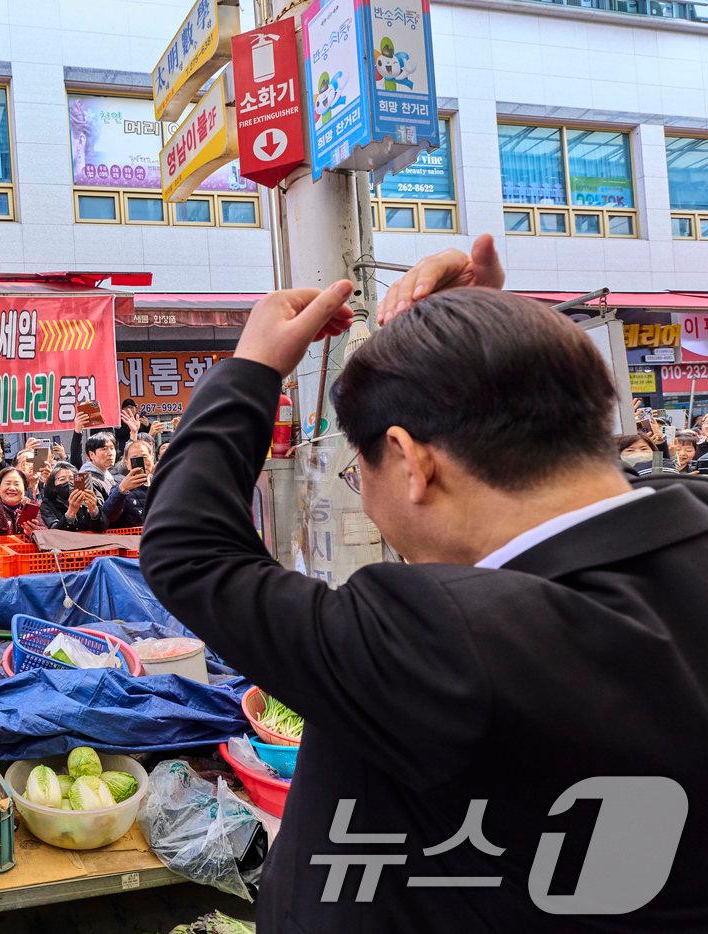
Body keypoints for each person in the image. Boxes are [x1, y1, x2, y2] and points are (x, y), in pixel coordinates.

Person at [141, 234, 708, 931]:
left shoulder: (451, 639)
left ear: (411, 463)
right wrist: (487, 344)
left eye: (361, 473)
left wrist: (251, 366)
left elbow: (188, 551)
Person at [0, 466, 44, 536]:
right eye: (7, 483)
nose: (12, 488)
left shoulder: (31, 508)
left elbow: (44, 532)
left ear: (25, 490)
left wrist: (33, 533)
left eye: (17, 484)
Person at [38, 463, 106, 532]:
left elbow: (102, 528)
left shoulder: (85, 500)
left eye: (72, 479)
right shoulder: (47, 505)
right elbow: (55, 533)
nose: (68, 482)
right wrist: (71, 512)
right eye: (62, 479)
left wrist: (94, 511)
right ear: (53, 486)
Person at [104, 438, 153, 528]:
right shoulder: (120, 488)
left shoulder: (163, 484)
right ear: (127, 463)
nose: (141, 462)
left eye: (144, 457)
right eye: (135, 459)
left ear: (152, 458)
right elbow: (108, 517)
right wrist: (122, 490)